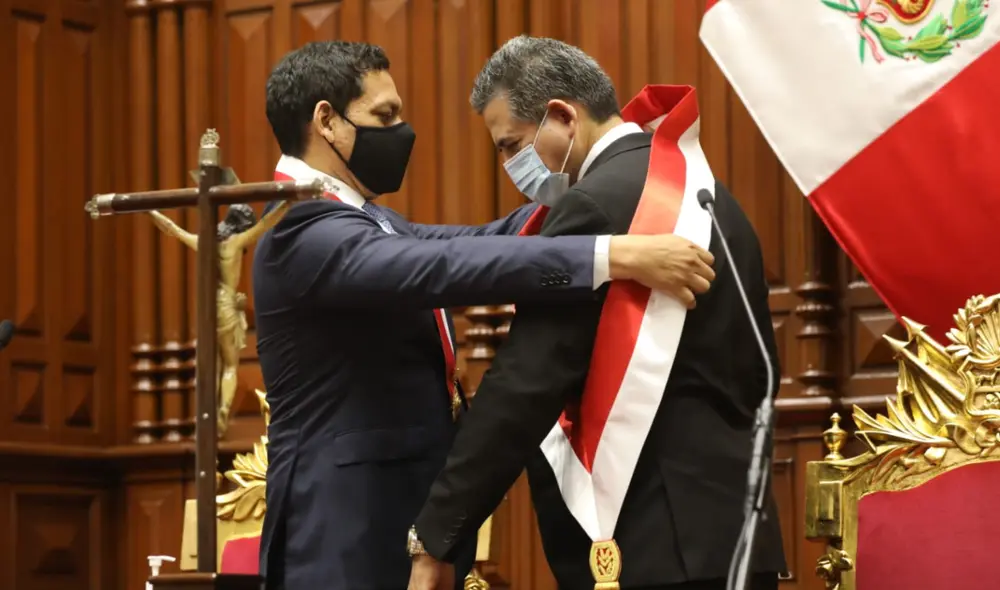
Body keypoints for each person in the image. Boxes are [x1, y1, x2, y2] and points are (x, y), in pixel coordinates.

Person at [253, 41, 717, 590]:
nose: (402, 130)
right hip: (342, 530)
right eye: (384, 115)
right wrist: (613, 254)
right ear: (326, 121)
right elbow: (444, 265)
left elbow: (487, 238)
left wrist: (603, 187)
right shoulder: (297, 230)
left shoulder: (365, 219)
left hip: (393, 521)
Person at [409, 36, 787, 590]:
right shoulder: (715, 198)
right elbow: (758, 370)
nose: (509, 164)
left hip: (650, 543)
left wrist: (437, 534)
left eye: (510, 144)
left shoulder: (591, 205)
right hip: (738, 534)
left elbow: (527, 382)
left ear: (562, 116)